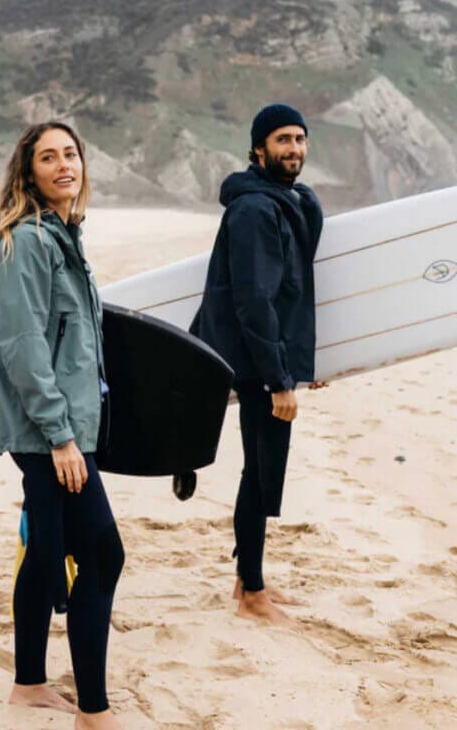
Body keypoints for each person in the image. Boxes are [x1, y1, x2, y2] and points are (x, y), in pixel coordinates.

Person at [0, 121, 124, 730]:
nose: (64, 164)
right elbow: (23, 346)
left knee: (46, 552)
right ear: (29, 172)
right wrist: (61, 436)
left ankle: (30, 684)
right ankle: (93, 712)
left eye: (71, 154)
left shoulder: (66, 238)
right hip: (48, 434)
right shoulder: (28, 243)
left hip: (62, 428)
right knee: (101, 553)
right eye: (49, 157)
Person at [190, 104, 325, 627]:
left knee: (263, 468)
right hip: (253, 359)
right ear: (258, 150)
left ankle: (250, 578)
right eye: (282, 140)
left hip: (267, 355)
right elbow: (254, 299)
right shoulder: (254, 211)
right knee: (261, 468)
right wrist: (277, 379)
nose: (294, 149)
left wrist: (304, 366)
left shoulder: (283, 202)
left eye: (300, 138)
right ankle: (251, 590)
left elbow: (290, 294)